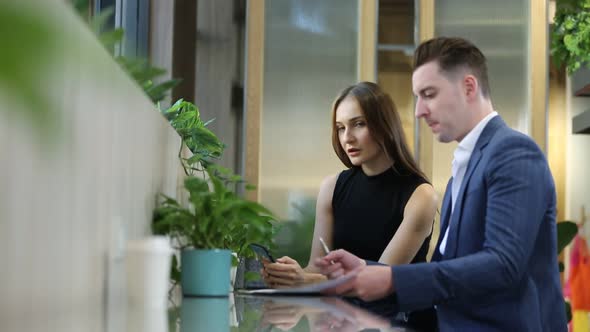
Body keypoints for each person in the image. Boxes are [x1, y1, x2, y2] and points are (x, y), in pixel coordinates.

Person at [316, 37, 568, 331]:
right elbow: (447, 280)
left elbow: (504, 264)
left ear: (469, 87)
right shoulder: (462, 170)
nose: (419, 110)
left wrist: (390, 278)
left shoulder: (514, 153)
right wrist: (365, 273)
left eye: (429, 94)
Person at [262, 82, 438, 289]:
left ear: (384, 125)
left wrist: (306, 280)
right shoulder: (332, 187)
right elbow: (317, 270)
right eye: (340, 128)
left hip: (402, 319)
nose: (347, 138)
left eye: (359, 124)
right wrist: (290, 274)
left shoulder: (421, 196)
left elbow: (379, 280)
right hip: (344, 317)